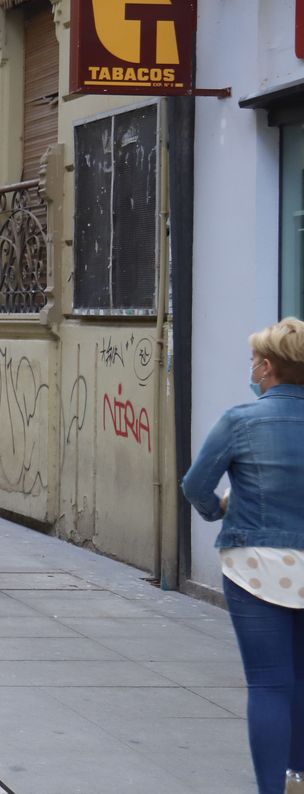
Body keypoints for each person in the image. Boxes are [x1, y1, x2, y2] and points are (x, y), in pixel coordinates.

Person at [182, 318, 304, 794]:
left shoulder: (241, 420)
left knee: (270, 683)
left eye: (254, 361)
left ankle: (273, 789)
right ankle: (299, 775)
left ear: (269, 367)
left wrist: (221, 508)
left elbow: (196, 485)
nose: (251, 368)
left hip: (257, 565)